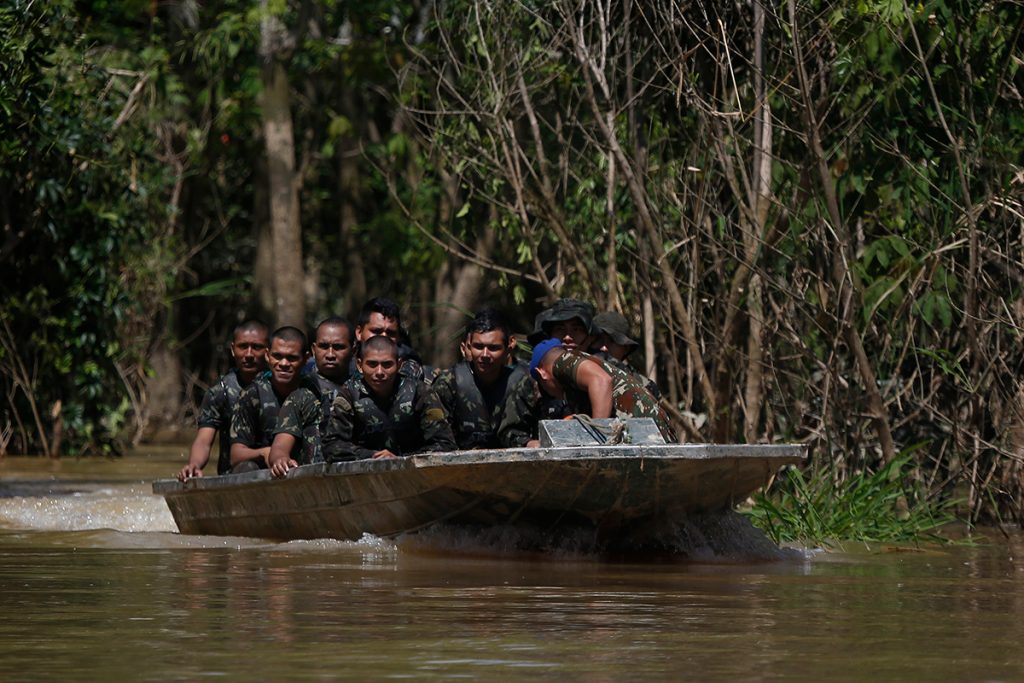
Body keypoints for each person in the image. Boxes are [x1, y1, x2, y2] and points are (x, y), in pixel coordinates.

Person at [321, 335, 455, 462]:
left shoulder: (420, 392)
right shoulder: (349, 394)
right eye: (372, 364)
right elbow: (332, 446)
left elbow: (444, 444)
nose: (379, 372)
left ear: (399, 364)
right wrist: (373, 456)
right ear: (360, 365)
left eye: (387, 365)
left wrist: (400, 459)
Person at [529, 338, 676, 442]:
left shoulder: (561, 362)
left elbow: (601, 380)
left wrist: (597, 440)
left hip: (647, 435)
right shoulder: (579, 363)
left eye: (542, 385)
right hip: (649, 433)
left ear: (542, 372)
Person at [177, 319, 269, 481]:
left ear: (268, 351)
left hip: (276, 467)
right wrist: (194, 465)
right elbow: (204, 441)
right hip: (235, 473)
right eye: (243, 347)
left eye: (256, 347)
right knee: (248, 467)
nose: (249, 354)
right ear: (233, 350)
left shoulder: (281, 386)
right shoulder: (220, 393)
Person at [267, 318, 355, 478]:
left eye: (338, 347)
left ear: (353, 350)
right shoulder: (301, 396)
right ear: (313, 350)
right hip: (315, 480)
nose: (330, 354)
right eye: (323, 346)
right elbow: (280, 446)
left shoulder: (364, 391)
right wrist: (281, 459)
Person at [433, 308, 525, 449]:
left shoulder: (523, 383)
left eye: (493, 348)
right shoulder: (448, 383)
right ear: (468, 346)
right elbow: (436, 437)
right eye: (478, 347)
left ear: (509, 347)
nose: (485, 355)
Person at [229, 326, 313, 473]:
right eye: (277, 356)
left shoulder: (313, 392)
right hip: (263, 470)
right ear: (267, 355)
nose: (284, 364)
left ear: (306, 359)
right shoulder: (252, 394)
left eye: (292, 358)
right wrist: (265, 452)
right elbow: (236, 454)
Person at [350, 297, 433, 383]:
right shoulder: (344, 359)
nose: (384, 337)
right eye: (376, 331)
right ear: (359, 333)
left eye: (391, 333)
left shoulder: (407, 363)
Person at [590, 311, 661, 399]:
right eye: (598, 340)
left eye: (612, 341)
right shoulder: (573, 377)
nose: (604, 348)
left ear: (625, 348)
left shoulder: (645, 387)